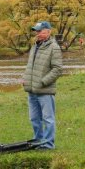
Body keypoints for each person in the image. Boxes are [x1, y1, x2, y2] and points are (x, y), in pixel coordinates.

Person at [22, 21, 63, 149]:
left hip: (45, 91)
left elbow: (57, 69)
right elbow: (31, 66)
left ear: (49, 31)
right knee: (34, 118)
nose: (37, 33)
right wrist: (26, 78)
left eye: (40, 31)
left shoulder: (54, 47)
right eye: (36, 31)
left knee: (48, 119)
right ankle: (38, 142)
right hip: (32, 90)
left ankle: (48, 144)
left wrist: (43, 82)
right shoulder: (35, 46)